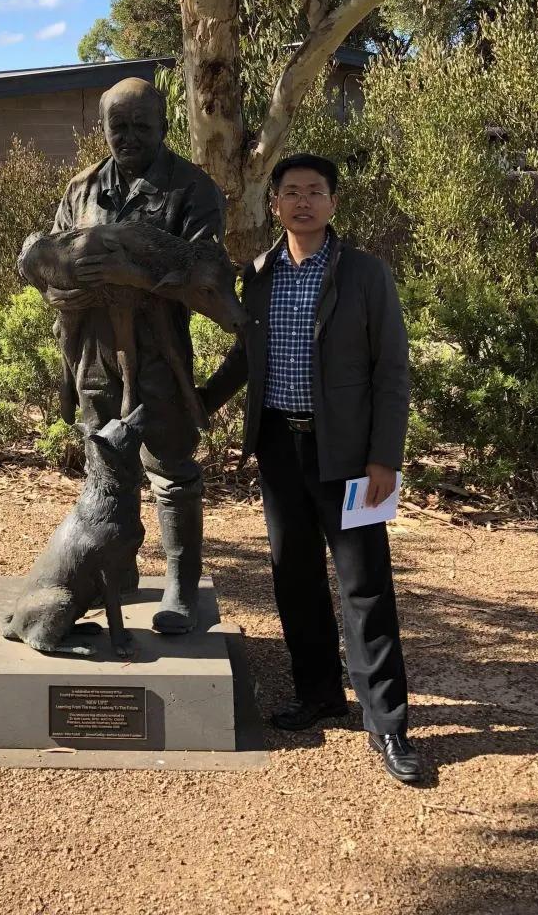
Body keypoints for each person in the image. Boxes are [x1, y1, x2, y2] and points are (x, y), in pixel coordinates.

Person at [200, 152, 424, 784]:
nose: (303, 201)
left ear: (332, 203)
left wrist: (386, 458)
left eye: (315, 192)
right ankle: (319, 692)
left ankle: (388, 726)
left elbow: (392, 374)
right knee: (293, 576)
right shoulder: (260, 275)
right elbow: (247, 358)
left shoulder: (365, 275)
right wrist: (196, 405)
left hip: (351, 458)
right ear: (274, 205)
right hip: (280, 448)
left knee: (365, 587)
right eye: (291, 192)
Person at [24, 77, 226, 635]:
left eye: (142, 125)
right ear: (104, 128)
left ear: (164, 127)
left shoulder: (192, 189)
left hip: (158, 353)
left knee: (172, 468)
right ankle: (119, 572)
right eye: (119, 126)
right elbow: (52, 261)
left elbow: (205, 271)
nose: (130, 136)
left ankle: (182, 585)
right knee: (105, 466)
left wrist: (130, 272)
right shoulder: (82, 188)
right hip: (93, 353)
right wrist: (65, 282)